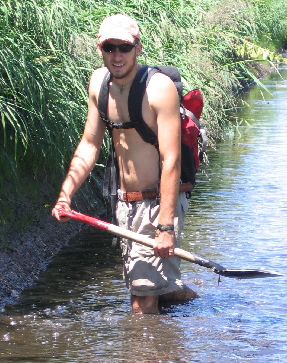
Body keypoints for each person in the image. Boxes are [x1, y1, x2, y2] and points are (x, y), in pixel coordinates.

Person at [52, 13, 198, 314]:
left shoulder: (158, 89)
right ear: (100, 49)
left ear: (138, 49)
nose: (117, 55)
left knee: (141, 302)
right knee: (148, 287)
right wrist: (65, 195)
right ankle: (179, 296)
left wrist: (166, 226)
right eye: (110, 48)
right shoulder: (98, 84)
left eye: (124, 47)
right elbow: (90, 144)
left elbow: (170, 160)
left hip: (160, 201)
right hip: (123, 203)